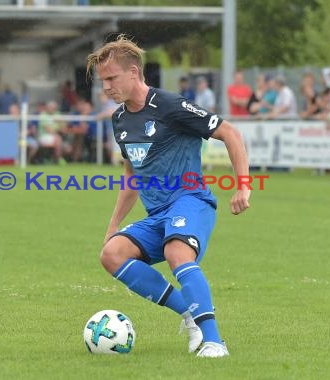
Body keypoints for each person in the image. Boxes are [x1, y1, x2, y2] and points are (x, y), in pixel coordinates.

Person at [86, 35, 250, 358]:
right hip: (157, 214)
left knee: (177, 252)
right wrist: (113, 224)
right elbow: (132, 175)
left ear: (133, 72)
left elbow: (230, 132)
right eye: (102, 81)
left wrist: (243, 185)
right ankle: (189, 314)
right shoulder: (119, 120)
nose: (105, 87)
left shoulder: (171, 106)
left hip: (191, 200)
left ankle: (215, 341)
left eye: (111, 78)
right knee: (111, 254)